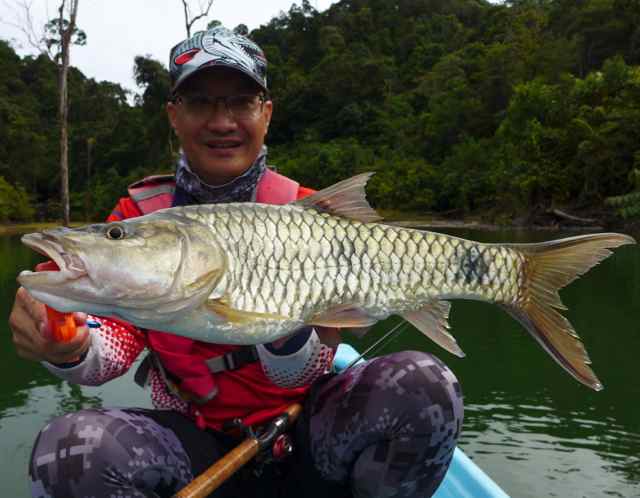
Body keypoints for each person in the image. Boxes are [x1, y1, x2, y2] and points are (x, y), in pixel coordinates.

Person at [9, 26, 464, 498]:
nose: (222, 121)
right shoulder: (136, 217)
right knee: (69, 451)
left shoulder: (311, 216)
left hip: (311, 430)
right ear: (174, 115)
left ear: (265, 114)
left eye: (241, 102)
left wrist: (283, 323)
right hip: (191, 441)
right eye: (201, 102)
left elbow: (304, 372)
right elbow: (112, 350)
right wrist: (68, 348)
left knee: (426, 386)